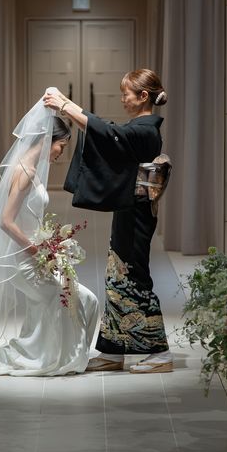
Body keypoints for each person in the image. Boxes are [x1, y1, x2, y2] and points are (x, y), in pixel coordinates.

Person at [0, 89, 99, 376]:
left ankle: (46, 351)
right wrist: (37, 250)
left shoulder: (31, 169)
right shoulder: (25, 173)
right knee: (67, 297)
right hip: (23, 259)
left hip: (31, 254)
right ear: (47, 139)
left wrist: (49, 245)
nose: (60, 153)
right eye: (61, 146)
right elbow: (6, 221)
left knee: (82, 298)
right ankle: (41, 355)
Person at [43, 69, 173, 374]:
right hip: (130, 209)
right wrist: (69, 107)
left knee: (135, 275)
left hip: (138, 214)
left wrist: (66, 105)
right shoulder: (140, 128)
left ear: (143, 96)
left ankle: (160, 352)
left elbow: (109, 134)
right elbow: (108, 133)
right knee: (117, 275)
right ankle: (114, 350)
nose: (122, 99)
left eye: (126, 93)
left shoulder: (147, 131)